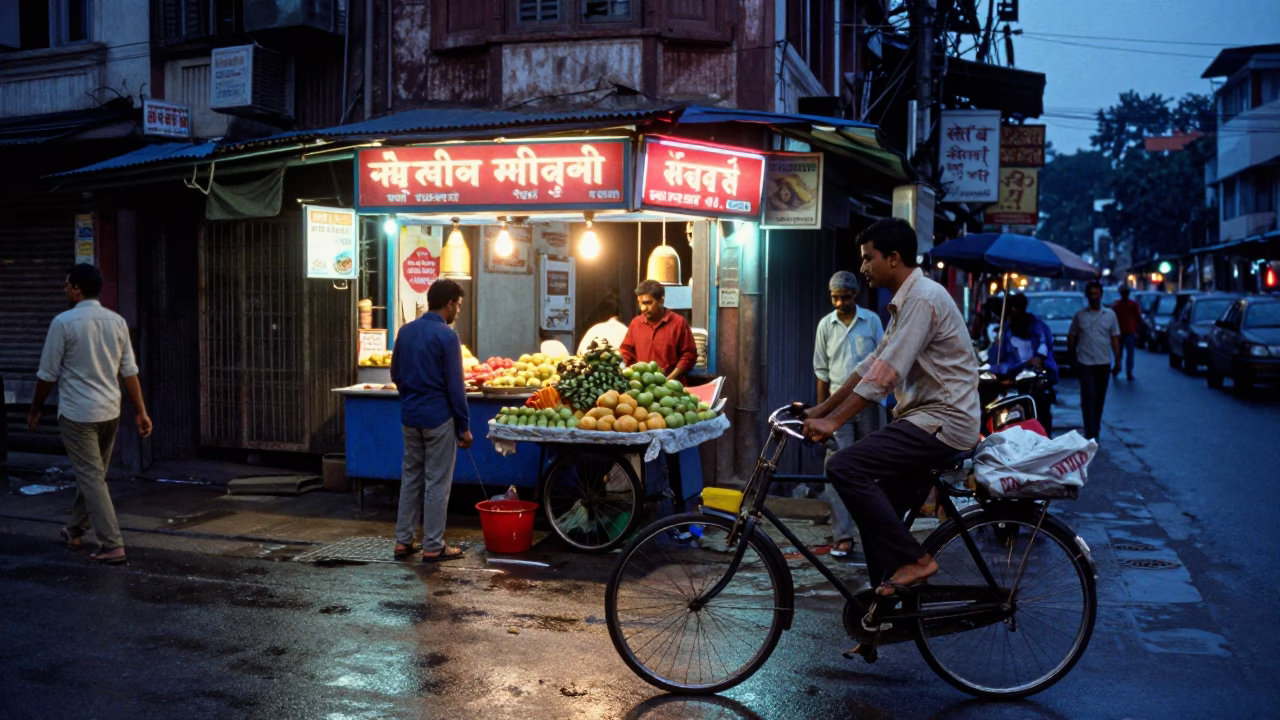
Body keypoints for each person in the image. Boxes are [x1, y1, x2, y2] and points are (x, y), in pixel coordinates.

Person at [802, 219, 980, 597]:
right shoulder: (904, 303)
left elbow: (884, 377)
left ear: (894, 258)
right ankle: (878, 610)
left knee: (843, 465)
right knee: (875, 512)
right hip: (924, 418)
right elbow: (869, 366)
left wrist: (833, 422)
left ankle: (917, 561)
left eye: (869, 259)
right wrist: (820, 409)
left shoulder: (921, 299)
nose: (863, 268)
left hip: (942, 421)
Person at [27, 264, 152, 565]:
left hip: (77, 415)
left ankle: (113, 544)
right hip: (110, 411)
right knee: (92, 476)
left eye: (67, 284)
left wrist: (35, 410)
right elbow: (130, 373)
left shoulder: (63, 322)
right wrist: (141, 412)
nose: (64, 289)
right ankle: (74, 530)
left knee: (92, 478)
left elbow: (47, 375)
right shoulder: (117, 321)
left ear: (77, 289)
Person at [391, 279, 473, 562]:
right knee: (437, 482)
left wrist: (411, 398)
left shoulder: (406, 331)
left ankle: (403, 541)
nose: (458, 312)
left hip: (410, 416)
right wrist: (463, 425)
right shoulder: (447, 336)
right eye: (458, 306)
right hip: (438, 418)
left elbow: (396, 375)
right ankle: (433, 546)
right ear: (449, 304)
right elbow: (455, 386)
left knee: (411, 477)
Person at [812, 270, 885, 558]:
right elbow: (821, 371)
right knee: (835, 468)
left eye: (844, 297)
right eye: (834, 298)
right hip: (837, 406)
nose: (839, 302)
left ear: (855, 295)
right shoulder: (825, 326)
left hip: (868, 404)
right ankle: (843, 536)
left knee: (873, 469)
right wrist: (821, 412)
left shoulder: (872, 321)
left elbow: (884, 360)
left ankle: (873, 530)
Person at [989, 293, 1059, 434]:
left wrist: (1040, 366)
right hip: (1012, 384)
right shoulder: (1005, 332)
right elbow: (995, 361)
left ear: (1014, 309)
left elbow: (1046, 356)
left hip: (1036, 384)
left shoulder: (1039, 329)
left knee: (1042, 416)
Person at [1068, 282, 1120, 441]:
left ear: (1101, 295)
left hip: (1103, 363)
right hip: (1085, 363)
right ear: (1087, 296)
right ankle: (1090, 430)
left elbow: (1115, 338)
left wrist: (1118, 361)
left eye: (1096, 294)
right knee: (1088, 396)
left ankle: (1095, 426)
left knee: (1099, 397)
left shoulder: (1110, 315)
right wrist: (1072, 357)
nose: (1094, 297)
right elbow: (1072, 336)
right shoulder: (1080, 315)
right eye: (1091, 294)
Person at [619, 279, 698, 382]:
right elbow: (626, 352)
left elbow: (689, 356)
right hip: (643, 387)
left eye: (648, 303)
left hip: (672, 387)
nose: (643, 308)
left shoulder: (679, 323)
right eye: (640, 303)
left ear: (661, 301)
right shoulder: (636, 323)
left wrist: (668, 380)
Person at [1111, 285, 1143, 380]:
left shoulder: (1117, 305)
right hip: (1126, 333)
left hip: (1122, 333)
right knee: (1128, 354)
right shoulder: (1131, 305)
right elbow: (1138, 318)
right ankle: (1126, 372)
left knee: (1119, 354)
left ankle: (1118, 369)